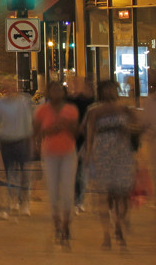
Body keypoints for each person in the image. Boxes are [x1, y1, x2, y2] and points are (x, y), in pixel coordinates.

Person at [83, 79, 137, 249]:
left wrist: (131, 129)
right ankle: (107, 234)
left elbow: (136, 129)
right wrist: (89, 154)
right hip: (103, 153)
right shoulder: (94, 111)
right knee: (103, 196)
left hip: (122, 153)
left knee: (122, 194)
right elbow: (90, 133)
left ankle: (119, 225)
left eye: (113, 89)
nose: (110, 92)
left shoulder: (125, 109)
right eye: (107, 90)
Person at [33, 81, 79, 247]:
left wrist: (67, 125)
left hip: (68, 152)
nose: (57, 93)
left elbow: (76, 132)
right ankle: (56, 224)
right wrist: (49, 131)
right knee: (53, 190)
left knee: (67, 191)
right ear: (48, 93)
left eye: (59, 90)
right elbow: (36, 131)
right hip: (50, 153)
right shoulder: (42, 111)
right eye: (53, 90)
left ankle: (66, 223)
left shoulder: (71, 110)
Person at [0, 76, 34, 219]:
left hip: (21, 140)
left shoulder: (23, 103)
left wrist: (31, 142)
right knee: (9, 174)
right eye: (8, 86)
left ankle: (24, 202)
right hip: (6, 141)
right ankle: (11, 201)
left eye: (13, 86)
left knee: (24, 173)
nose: (11, 89)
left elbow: (28, 123)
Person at [66, 76, 95, 213]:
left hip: (84, 140)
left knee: (82, 172)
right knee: (74, 172)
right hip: (70, 140)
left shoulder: (89, 101)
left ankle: (79, 200)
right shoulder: (68, 100)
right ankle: (75, 200)